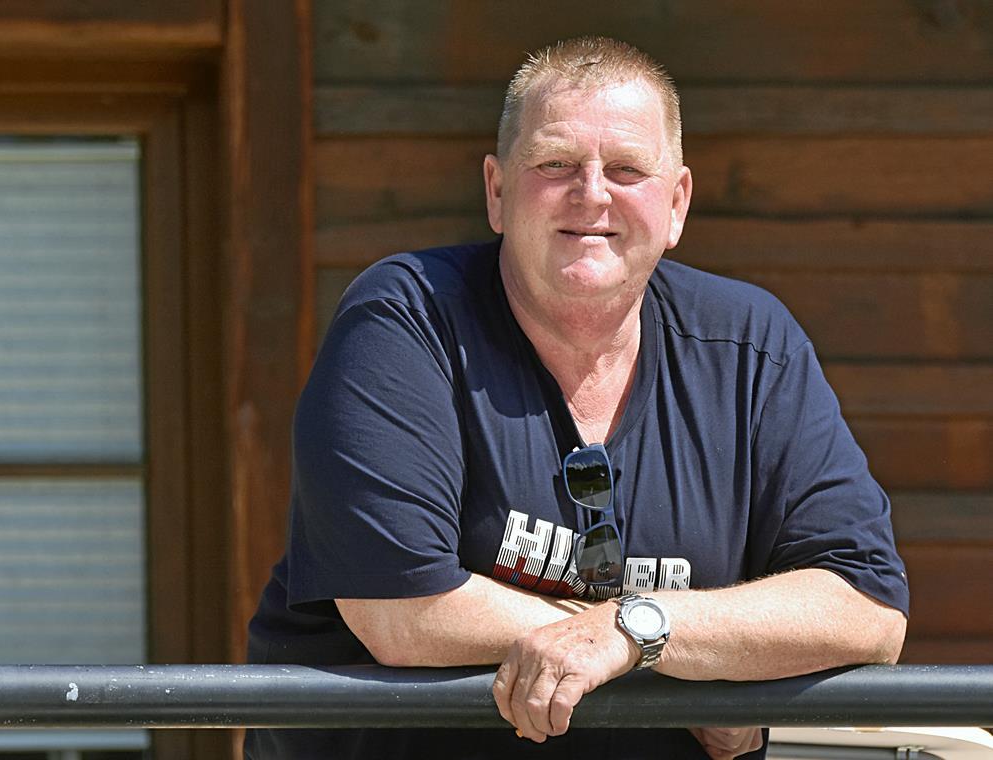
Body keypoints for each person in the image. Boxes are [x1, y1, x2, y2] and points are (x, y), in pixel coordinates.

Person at [244, 36, 908, 760]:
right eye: (556, 164)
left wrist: (630, 632)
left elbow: (868, 609)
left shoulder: (752, 346)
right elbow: (400, 611)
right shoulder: (408, 320)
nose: (592, 193)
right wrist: (675, 665)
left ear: (677, 202)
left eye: (626, 169)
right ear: (497, 192)